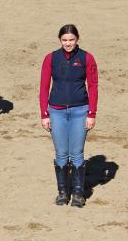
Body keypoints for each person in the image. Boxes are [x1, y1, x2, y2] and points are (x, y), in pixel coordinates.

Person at [39, 24, 98, 208]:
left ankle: (78, 194)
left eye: (71, 40)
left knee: (77, 154)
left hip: (80, 111)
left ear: (77, 39)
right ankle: (63, 193)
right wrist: (44, 113)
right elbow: (43, 87)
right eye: (64, 40)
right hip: (56, 111)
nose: (68, 43)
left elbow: (93, 86)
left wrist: (91, 113)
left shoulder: (87, 58)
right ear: (60, 40)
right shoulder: (51, 58)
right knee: (61, 154)